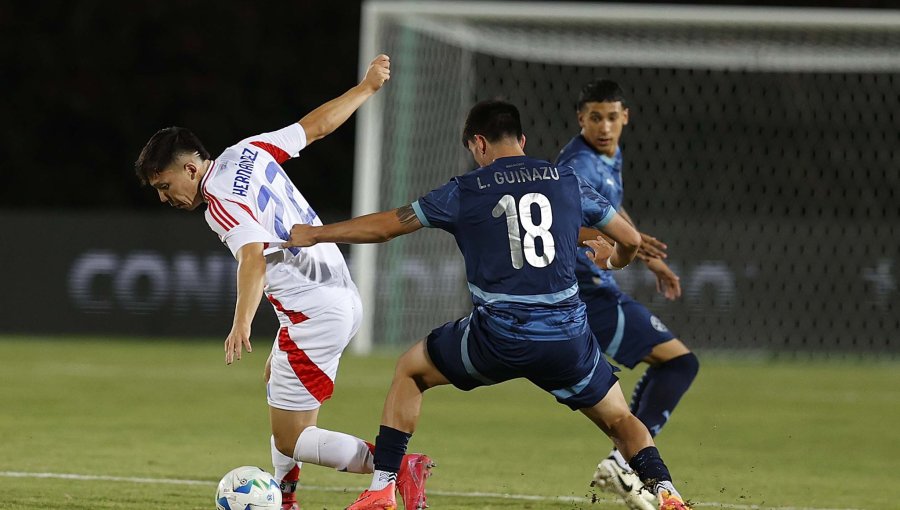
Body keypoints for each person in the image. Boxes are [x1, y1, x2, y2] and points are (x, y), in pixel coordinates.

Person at [286, 100, 693, 510]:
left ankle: (382, 489)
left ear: (479, 143)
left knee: (410, 370)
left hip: (498, 337)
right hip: (566, 338)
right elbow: (631, 240)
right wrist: (614, 260)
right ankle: (667, 492)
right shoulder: (565, 179)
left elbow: (388, 226)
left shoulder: (467, 189)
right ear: (521, 140)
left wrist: (318, 234)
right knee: (620, 419)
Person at [134, 55, 432, 510]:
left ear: (190, 169)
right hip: (339, 297)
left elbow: (252, 258)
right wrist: (366, 88)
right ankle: (286, 497)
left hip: (313, 314)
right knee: (278, 384)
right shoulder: (247, 151)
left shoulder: (219, 204)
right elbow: (315, 127)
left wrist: (240, 324)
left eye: (163, 184)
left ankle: (392, 468)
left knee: (292, 439)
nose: (163, 196)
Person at [556, 79, 700, 510]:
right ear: (581, 119)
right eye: (594, 117)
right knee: (679, 363)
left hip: (595, 289)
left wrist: (648, 256)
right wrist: (619, 243)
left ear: (625, 118)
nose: (604, 126)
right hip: (587, 292)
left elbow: (611, 211)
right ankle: (625, 461)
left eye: (611, 117)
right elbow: (566, 221)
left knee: (672, 365)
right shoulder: (578, 163)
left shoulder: (608, 154)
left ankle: (626, 460)